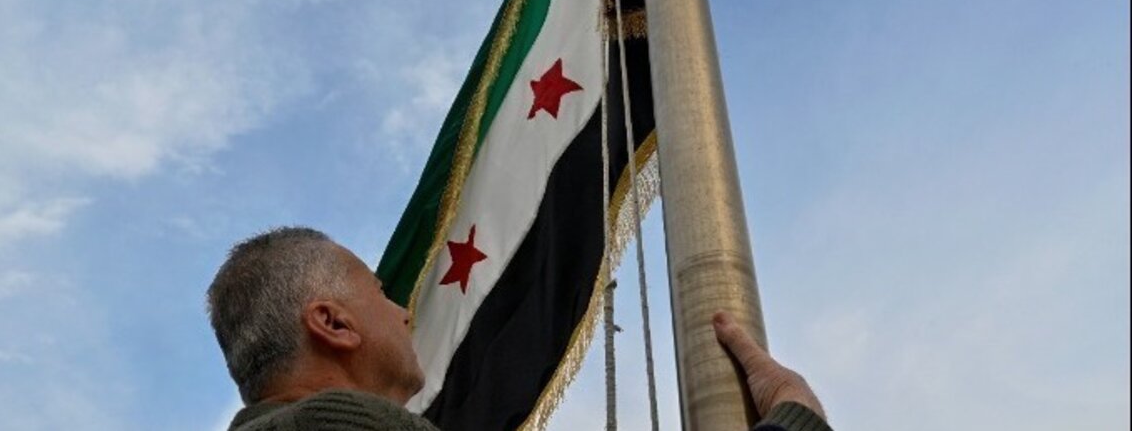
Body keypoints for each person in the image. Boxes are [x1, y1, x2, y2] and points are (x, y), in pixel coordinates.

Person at [207, 227, 832, 431]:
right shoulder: (336, 426)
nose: (403, 312)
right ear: (333, 323)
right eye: (380, 292)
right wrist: (796, 414)